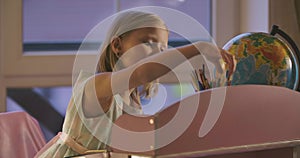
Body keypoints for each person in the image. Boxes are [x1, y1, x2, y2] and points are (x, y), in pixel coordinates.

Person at [35, 10, 235, 158]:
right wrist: (198, 48)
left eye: (163, 48)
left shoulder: (133, 99)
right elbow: (141, 73)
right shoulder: (97, 86)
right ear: (117, 46)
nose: (158, 53)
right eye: (148, 43)